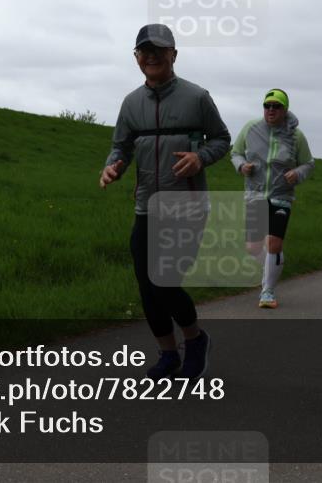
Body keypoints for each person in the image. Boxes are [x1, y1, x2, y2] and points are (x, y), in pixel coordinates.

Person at [100, 24, 231, 380]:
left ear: (174, 54)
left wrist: (200, 158)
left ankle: (196, 340)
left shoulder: (196, 97)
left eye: (159, 49)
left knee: (165, 281)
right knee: (146, 285)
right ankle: (169, 354)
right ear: (136, 57)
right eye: (144, 50)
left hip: (186, 206)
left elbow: (221, 139)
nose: (152, 56)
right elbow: (121, 146)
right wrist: (113, 166)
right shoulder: (131, 103)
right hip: (146, 207)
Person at [230, 89, 314, 309]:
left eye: (276, 106)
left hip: (281, 196)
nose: (271, 110)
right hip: (254, 194)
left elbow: (308, 163)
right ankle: (273, 265)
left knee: (273, 243)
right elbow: (235, 152)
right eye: (267, 105)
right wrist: (241, 165)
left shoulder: (297, 136)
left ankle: (267, 291)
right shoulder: (250, 128)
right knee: (253, 248)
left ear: (285, 109)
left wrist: (297, 174)